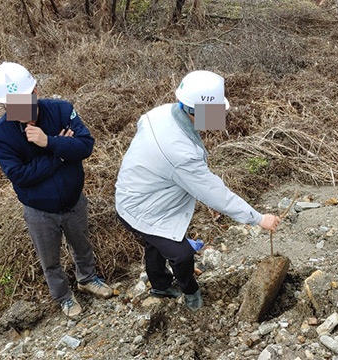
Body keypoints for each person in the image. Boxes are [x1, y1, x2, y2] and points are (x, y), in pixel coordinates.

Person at [115, 70, 281, 312]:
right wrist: (258, 218)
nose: (221, 116)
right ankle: (190, 290)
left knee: (155, 244)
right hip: (141, 208)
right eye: (217, 112)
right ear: (197, 111)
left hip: (137, 193)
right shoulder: (179, 153)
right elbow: (214, 193)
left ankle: (159, 285)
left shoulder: (160, 113)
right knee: (181, 254)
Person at [0, 62, 112, 318]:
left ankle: (87, 279)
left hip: (72, 198)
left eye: (23, 101)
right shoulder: (1, 133)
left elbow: (85, 145)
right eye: (11, 105)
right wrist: (58, 155)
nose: (19, 109)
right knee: (50, 259)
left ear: (35, 91)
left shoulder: (61, 110)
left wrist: (49, 141)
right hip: (39, 209)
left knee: (82, 244)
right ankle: (64, 297)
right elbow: (19, 176)